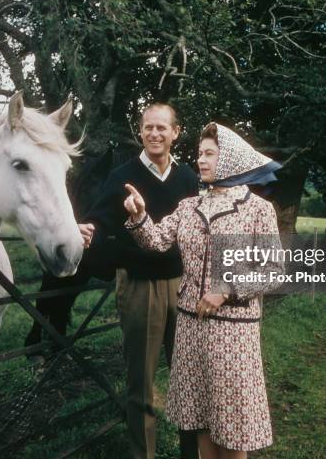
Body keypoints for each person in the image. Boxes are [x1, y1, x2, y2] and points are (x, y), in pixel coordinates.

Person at [123, 122, 284, 459]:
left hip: (233, 334)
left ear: (231, 160)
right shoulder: (188, 207)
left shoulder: (258, 210)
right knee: (200, 420)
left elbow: (274, 272)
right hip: (190, 329)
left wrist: (226, 289)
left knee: (232, 426)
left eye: (211, 154)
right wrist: (139, 216)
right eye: (199, 154)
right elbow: (155, 240)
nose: (201, 160)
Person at [79, 103, 199, 459]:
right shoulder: (122, 176)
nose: (154, 134)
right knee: (141, 384)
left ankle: (190, 452)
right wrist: (89, 231)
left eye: (162, 128)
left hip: (183, 285)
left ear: (176, 132)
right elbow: (100, 221)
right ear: (141, 132)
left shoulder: (189, 178)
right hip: (139, 287)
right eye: (148, 127)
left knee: (187, 380)